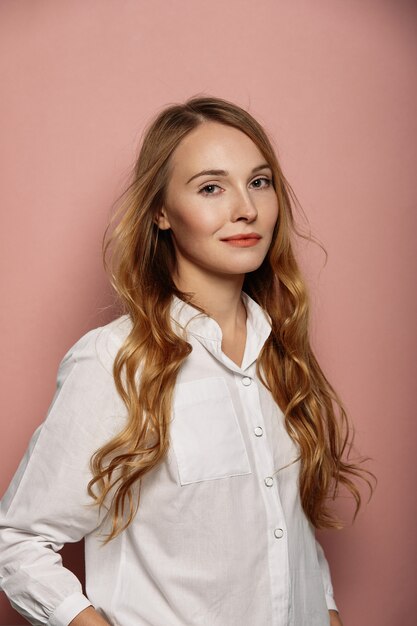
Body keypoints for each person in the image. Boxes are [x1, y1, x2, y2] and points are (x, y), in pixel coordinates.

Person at [0, 95, 373, 626]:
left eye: (260, 182)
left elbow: (283, 530)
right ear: (161, 212)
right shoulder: (116, 360)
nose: (245, 208)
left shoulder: (282, 351)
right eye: (211, 187)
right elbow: (19, 540)